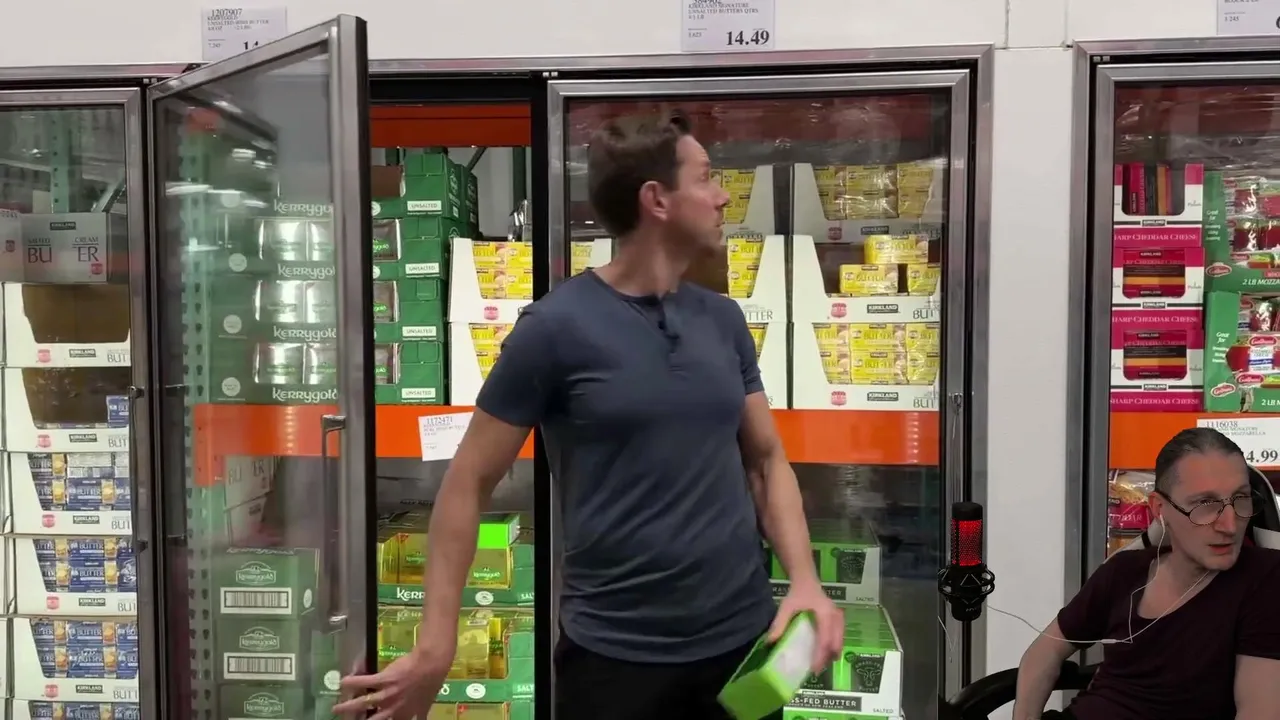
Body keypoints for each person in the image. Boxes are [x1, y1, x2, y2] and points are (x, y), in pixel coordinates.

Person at [335, 110, 844, 720]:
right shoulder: (554, 329)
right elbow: (467, 482)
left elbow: (765, 461)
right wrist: (435, 646)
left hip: (742, 648)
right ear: (657, 199)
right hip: (614, 661)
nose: (722, 196)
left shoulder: (724, 320)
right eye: (706, 177)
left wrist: (805, 581)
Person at [1012, 427, 1280, 720]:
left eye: (1241, 498)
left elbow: (1259, 711)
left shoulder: (1266, 580)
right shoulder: (1125, 571)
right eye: (1205, 504)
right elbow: (1046, 650)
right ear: (1160, 509)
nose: (1229, 525)